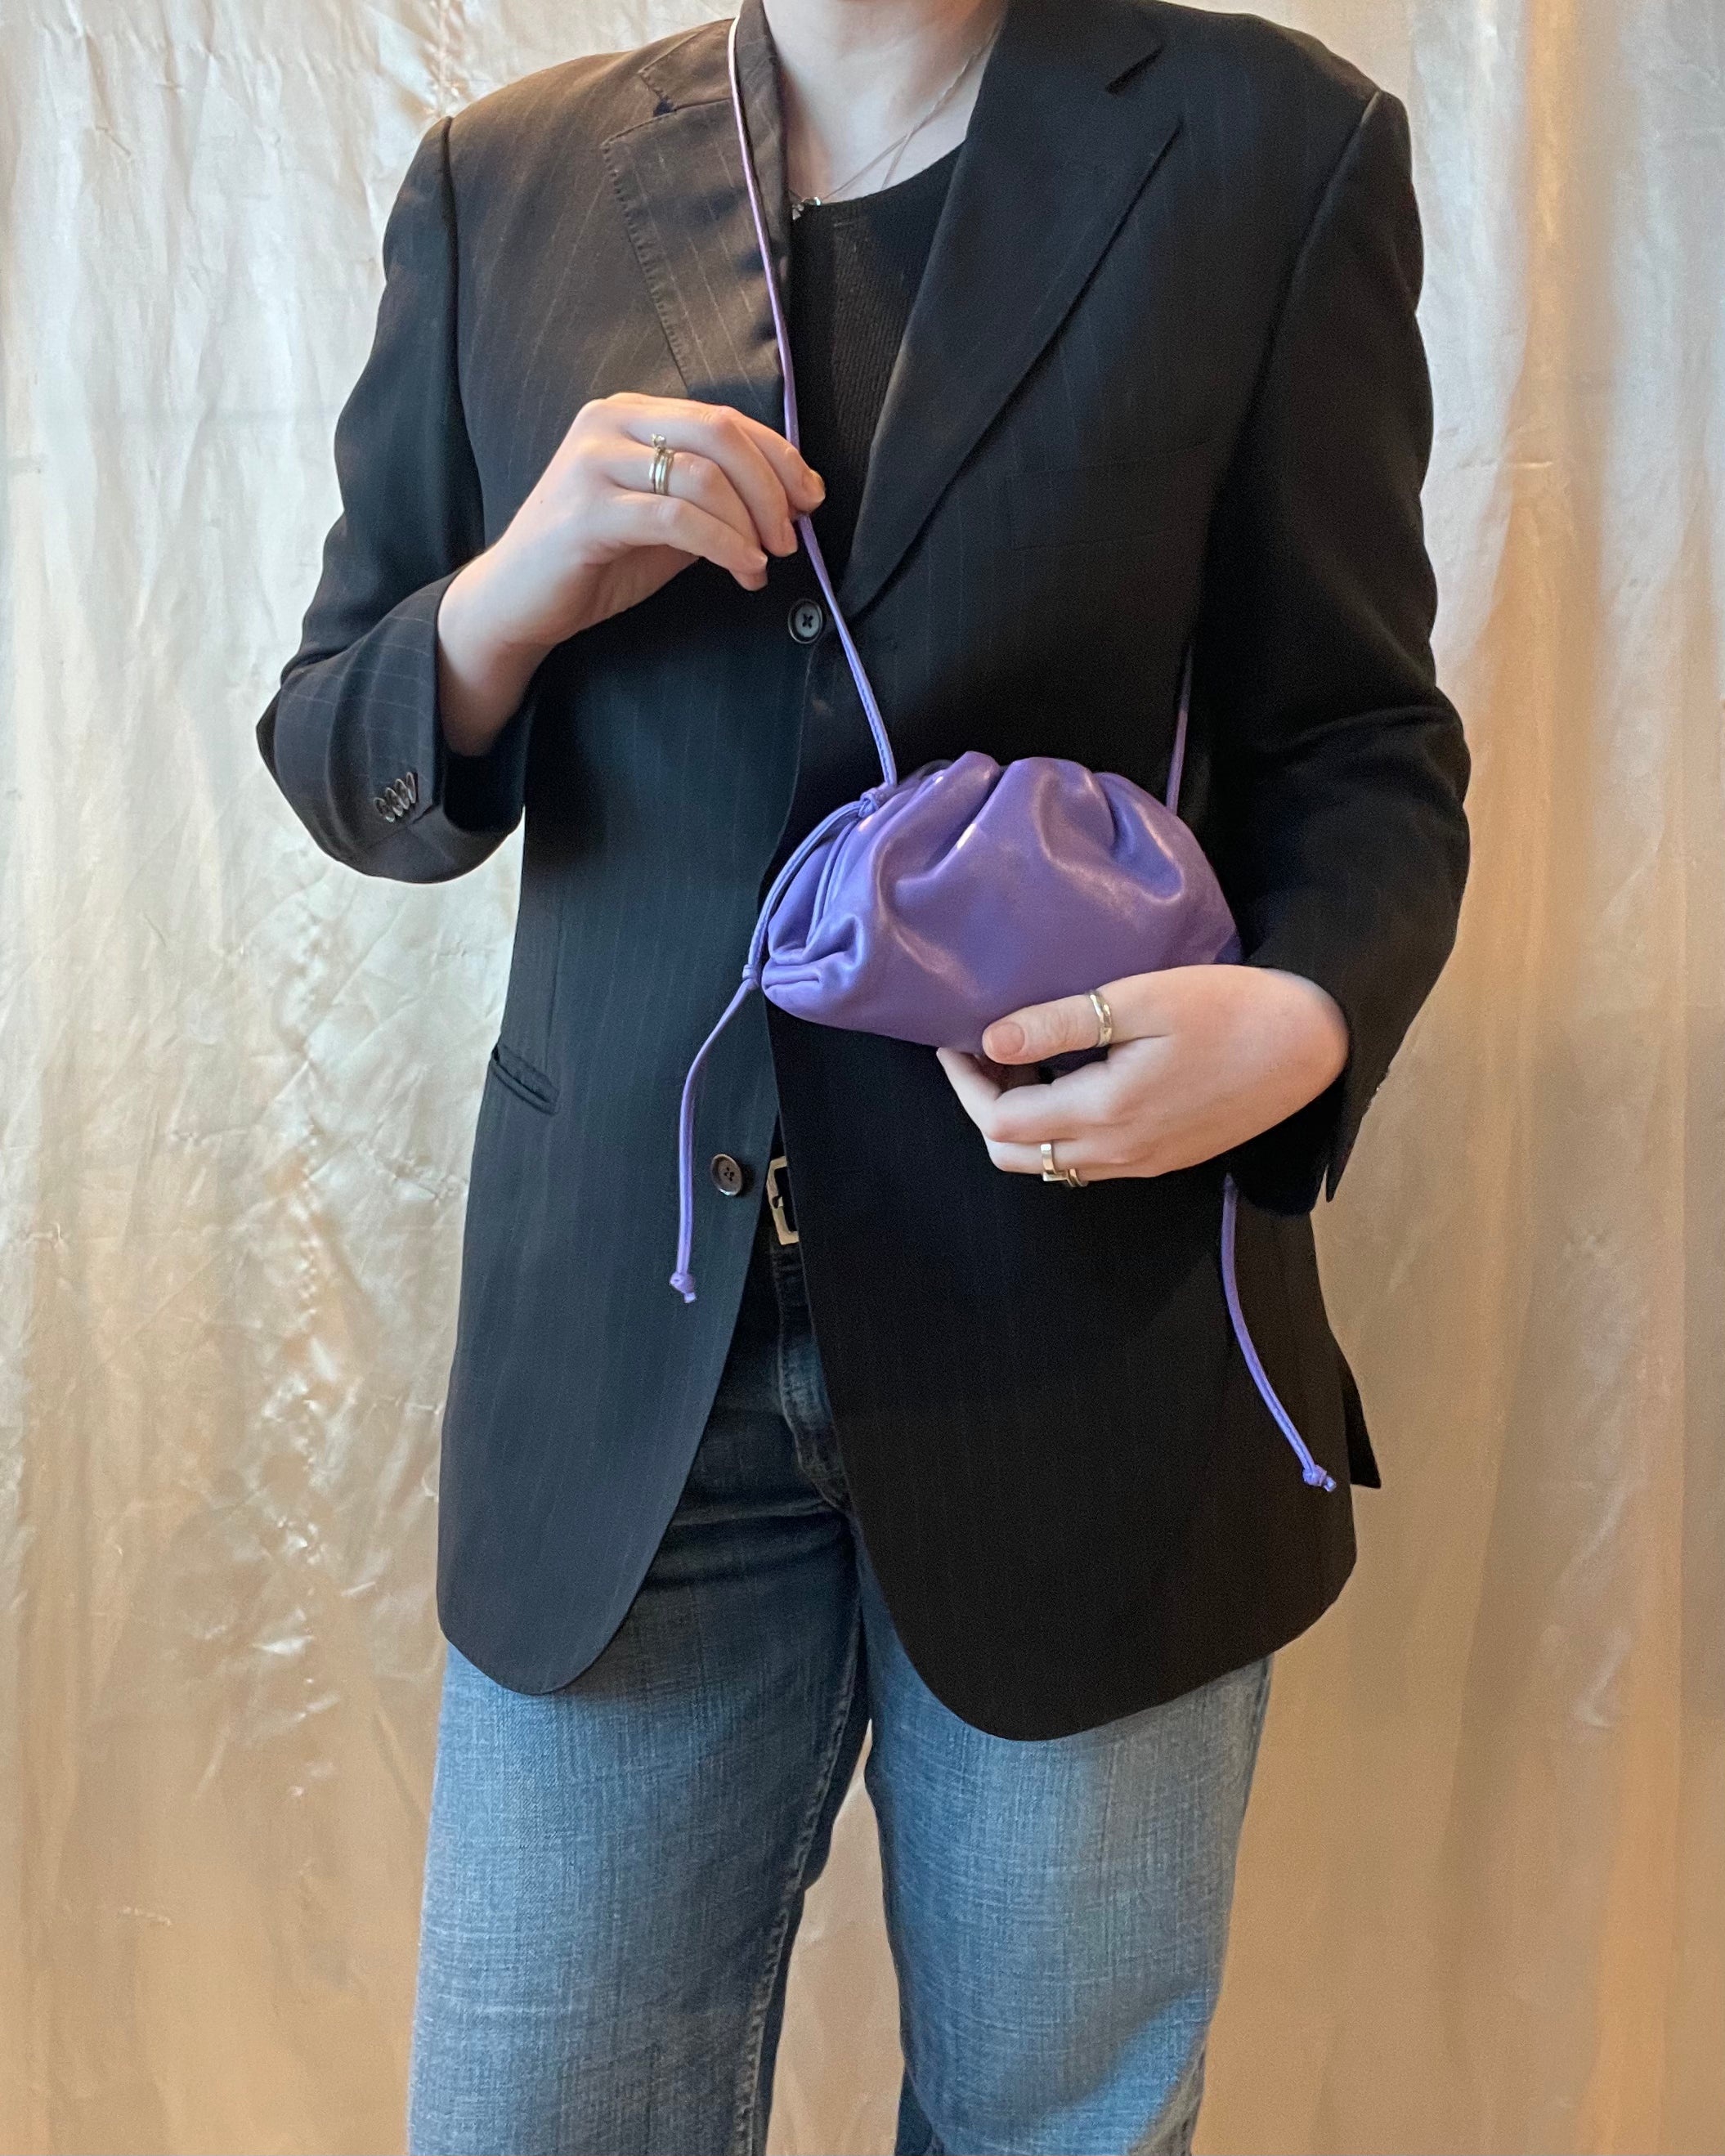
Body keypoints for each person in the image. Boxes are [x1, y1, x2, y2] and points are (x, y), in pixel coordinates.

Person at [258, 0, 1469, 2146]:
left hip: (1092, 1343)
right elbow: (339, 747)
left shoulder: (1272, 148)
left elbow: (1360, 742)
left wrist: (1303, 1021)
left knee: (1057, 2124)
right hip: (623, 1381)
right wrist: (508, 603)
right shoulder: (502, 183)